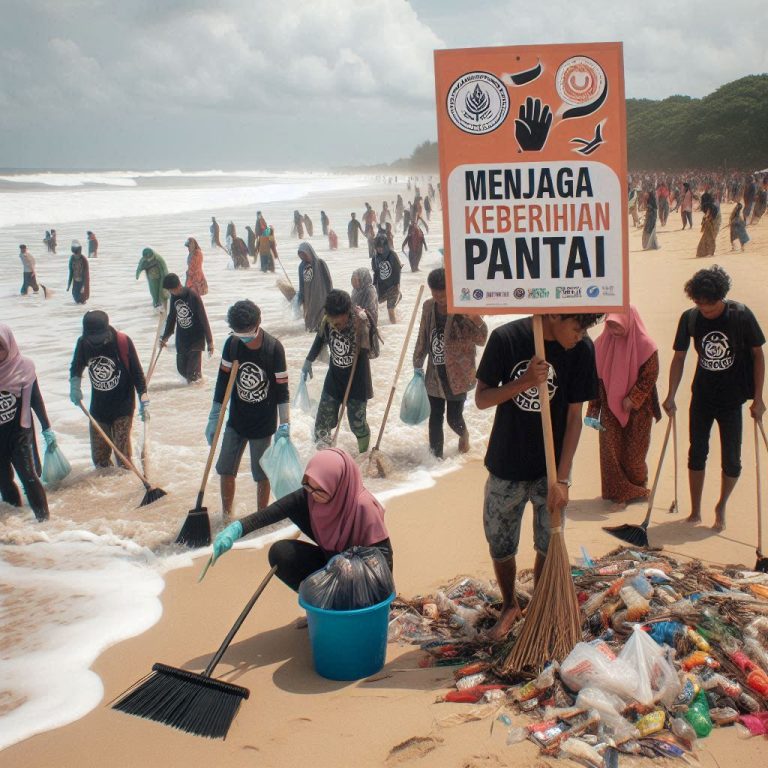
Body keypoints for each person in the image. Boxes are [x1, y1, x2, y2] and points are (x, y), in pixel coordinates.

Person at [475, 312, 602, 640]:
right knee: (500, 541)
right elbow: (482, 399)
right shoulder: (506, 339)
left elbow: (574, 417)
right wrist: (525, 381)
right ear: (555, 314)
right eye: (577, 327)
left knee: (549, 540)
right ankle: (509, 604)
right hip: (507, 462)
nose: (581, 335)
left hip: (551, 469)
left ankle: (539, 604)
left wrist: (562, 479)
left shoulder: (583, 349)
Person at [663, 265, 765, 531]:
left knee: (732, 460)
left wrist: (758, 398)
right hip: (702, 396)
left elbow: (758, 355)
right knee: (697, 452)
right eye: (699, 304)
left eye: (709, 306)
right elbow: (679, 357)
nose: (704, 310)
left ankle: (721, 505)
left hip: (732, 399)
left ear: (721, 297)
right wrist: (671, 394)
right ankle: (695, 510)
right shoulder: (690, 318)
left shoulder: (740, 315)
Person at [211, 448, 393, 592]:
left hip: (360, 578)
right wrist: (236, 529)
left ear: (338, 485)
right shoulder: (310, 496)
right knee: (281, 553)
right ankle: (322, 604)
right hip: (332, 564)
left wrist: (381, 599)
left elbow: (384, 560)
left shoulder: (364, 507)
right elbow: (272, 512)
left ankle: (342, 608)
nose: (313, 495)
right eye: (308, 486)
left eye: (320, 490)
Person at [206, 300, 289, 514]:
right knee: (225, 468)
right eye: (238, 333)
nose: (243, 338)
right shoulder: (232, 344)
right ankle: (227, 515)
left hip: (263, 423)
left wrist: (285, 423)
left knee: (261, 474)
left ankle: (261, 516)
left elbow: (282, 390)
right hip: (236, 419)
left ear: (258, 323)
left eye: (247, 333)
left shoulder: (274, 349)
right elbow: (223, 381)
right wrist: (215, 414)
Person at [586, 306, 661, 510]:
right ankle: (619, 494)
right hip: (608, 408)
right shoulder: (601, 344)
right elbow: (595, 382)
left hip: (640, 410)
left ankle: (637, 488)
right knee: (611, 452)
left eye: (617, 325)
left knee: (634, 454)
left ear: (629, 321)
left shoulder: (646, 346)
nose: (614, 330)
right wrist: (593, 411)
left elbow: (650, 376)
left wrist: (633, 398)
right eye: (610, 325)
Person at [413, 268, 487, 459]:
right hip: (435, 373)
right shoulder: (428, 306)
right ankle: (435, 459)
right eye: (435, 294)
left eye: (443, 294)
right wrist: (417, 362)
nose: (439, 298)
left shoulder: (463, 308)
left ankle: (464, 434)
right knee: (435, 417)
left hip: (458, 374)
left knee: (453, 419)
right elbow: (423, 335)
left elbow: (481, 339)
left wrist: (475, 318)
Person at [69, 310, 149, 468]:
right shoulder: (83, 343)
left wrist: (143, 395)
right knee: (100, 460)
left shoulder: (122, 341)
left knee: (123, 458)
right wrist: (74, 385)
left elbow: (137, 372)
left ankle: (126, 481)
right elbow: (76, 367)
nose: (96, 342)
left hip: (123, 406)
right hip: (99, 408)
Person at [302, 289, 374, 452]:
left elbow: (371, 349)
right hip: (334, 378)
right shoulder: (327, 320)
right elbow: (319, 339)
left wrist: (364, 327)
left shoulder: (360, 321)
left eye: (339, 323)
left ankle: (363, 456)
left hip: (357, 380)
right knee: (322, 423)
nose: (336, 326)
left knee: (358, 424)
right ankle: (324, 457)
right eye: (333, 322)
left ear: (347, 313)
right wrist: (309, 360)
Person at [0, 325, 51, 521]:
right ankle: (16, 523)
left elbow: (36, 400)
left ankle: (44, 523)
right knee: (4, 481)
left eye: (0, 348)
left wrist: (47, 428)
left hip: (19, 434)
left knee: (29, 477)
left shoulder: (24, 367)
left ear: (9, 346)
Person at [160, 273, 214, 383]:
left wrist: (210, 342)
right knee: (181, 369)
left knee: (192, 374)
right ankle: (199, 385)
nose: (170, 292)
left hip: (196, 339)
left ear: (178, 286)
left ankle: (197, 387)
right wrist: (165, 337)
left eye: (171, 290)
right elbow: (172, 318)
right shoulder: (174, 297)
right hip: (182, 339)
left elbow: (203, 318)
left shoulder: (193, 295)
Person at [296, 242, 333, 333]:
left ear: (310, 252)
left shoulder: (320, 263)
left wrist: (331, 295)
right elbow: (302, 284)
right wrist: (301, 299)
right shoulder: (302, 266)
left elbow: (328, 280)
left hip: (322, 296)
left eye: (304, 255)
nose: (303, 257)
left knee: (323, 322)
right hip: (309, 298)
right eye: (301, 256)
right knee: (310, 325)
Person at [371, 232, 401, 324]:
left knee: (390, 310)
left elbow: (397, 270)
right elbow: (376, 272)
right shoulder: (375, 258)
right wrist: (373, 285)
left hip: (393, 287)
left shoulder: (392, 255)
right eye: (378, 247)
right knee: (374, 306)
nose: (380, 249)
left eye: (382, 247)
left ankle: (395, 326)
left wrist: (397, 284)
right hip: (382, 288)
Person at [67, 240, 90, 304]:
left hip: (82, 281)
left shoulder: (83, 260)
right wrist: (69, 285)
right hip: (75, 281)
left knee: (82, 299)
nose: (77, 254)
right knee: (75, 297)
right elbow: (71, 272)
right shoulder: (72, 259)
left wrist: (84, 286)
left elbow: (86, 275)